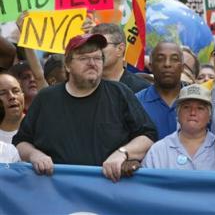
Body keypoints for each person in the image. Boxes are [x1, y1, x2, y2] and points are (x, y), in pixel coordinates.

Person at [12, 33, 157, 182]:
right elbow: (21, 142)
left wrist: (123, 153)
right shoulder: (46, 98)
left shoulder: (120, 93)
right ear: (68, 65)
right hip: (57, 193)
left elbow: (148, 135)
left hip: (110, 191)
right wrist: (34, 154)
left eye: (97, 58)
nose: (92, 63)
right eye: (84, 58)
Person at [143, 84, 215, 170]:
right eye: (186, 107)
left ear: (209, 116)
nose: (192, 112)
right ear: (177, 114)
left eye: (200, 108)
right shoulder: (158, 150)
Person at [136, 41, 184, 140]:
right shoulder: (136, 102)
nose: (167, 64)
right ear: (151, 66)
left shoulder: (196, 101)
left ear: (182, 67)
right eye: (160, 59)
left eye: (174, 59)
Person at [91, 23, 150, 93]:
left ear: (120, 49)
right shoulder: (83, 85)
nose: (95, 50)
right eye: (92, 45)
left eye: (102, 44)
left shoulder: (141, 89)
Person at [0, 73, 25, 143]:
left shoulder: (39, 125)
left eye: (16, 91)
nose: (11, 96)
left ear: (23, 95)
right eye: (2, 93)